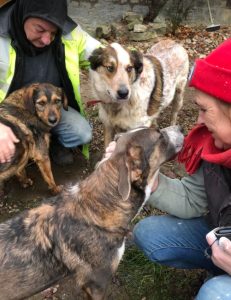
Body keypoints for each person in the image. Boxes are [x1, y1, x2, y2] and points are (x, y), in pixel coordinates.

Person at [105, 38, 231, 299]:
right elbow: (193, 199)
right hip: (222, 237)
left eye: (204, 110)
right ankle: (219, 267)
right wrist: (150, 180)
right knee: (149, 234)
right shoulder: (213, 147)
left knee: (213, 295)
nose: (197, 120)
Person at [0, 0, 100, 165]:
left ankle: (52, 143)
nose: (47, 40)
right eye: (40, 29)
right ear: (24, 14)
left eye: (53, 33)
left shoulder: (69, 31)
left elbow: (101, 53)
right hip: (10, 113)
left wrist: (131, 60)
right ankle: (20, 149)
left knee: (81, 133)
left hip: (50, 105)